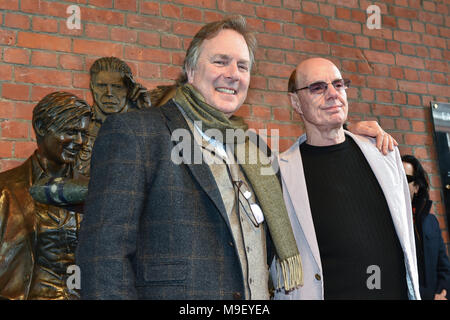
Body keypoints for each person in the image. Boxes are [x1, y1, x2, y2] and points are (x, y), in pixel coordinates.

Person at [76, 16, 398, 300]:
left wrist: (346, 132)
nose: (233, 74)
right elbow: (103, 253)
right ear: (190, 70)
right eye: (220, 62)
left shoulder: (253, 148)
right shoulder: (137, 133)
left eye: (242, 66)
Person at [272, 57, 421, 300]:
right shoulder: (279, 172)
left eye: (339, 84)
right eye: (317, 87)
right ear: (296, 102)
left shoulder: (384, 151)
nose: (332, 93)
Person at [0, 92, 91, 299]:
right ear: (41, 128)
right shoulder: (5, 189)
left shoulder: (94, 190)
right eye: (70, 131)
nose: (79, 141)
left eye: (83, 134)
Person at [402, 154, 450, 300]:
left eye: (406, 179)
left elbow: (444, 267)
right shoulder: (383, 222)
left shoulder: (431, 222)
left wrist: (443, 293)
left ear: (416, 186)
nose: (399, 183)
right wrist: (430, 297)